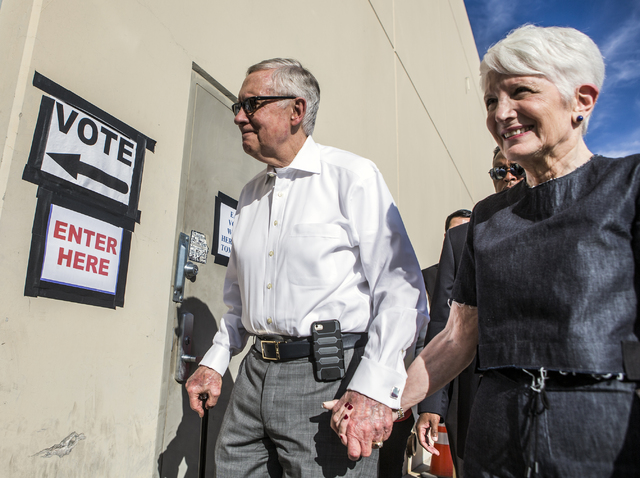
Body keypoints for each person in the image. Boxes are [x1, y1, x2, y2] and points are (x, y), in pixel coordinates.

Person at [331, 25, 640, 477]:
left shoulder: (628, 185)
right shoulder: (488, 217)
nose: (502, 113)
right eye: (492, 100)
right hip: (496, 437)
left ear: (582, 100)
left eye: (521, 92)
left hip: (605, 433)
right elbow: (458, 337)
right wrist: (381, 399)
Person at [185, 58, 428, 477]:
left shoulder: (352, 176)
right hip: (254, 375)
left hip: (329, 379)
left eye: (251, 104)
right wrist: (215, 360)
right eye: (238, 106)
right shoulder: (250, 195)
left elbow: (401, 290)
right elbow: (239, 302)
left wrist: (372, 389)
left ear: (296, 110)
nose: (239, 116)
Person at [415, 147, 524, 477]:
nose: (508, 177)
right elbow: (442, 325)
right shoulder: (460, 240)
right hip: (475, 392)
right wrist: (430, 403)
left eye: (516, 168)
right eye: (499, 171)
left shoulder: (560, 223)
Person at [422, 209, 471, 306]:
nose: (461, 238)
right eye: (456, 232)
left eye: (466, 232)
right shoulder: (427, 277)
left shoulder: (484, 275)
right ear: (446, 236)